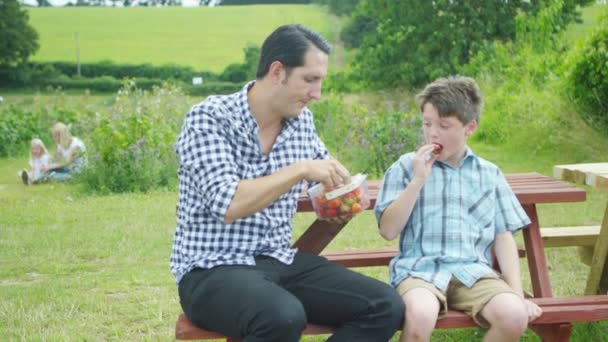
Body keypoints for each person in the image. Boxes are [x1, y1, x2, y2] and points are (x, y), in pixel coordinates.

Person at [171, 24, 404, 342]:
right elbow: (228, 203)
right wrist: (300, 169)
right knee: (282, 316)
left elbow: (326, 180)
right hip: (211, 268)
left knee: (384, 305)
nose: (317, 94)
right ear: (277, 71)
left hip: (278, 260)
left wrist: (339, 200)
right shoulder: (209, 118)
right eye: (310, 80)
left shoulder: (301, 122)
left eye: (320, 81)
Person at [374, 76, 542, 342]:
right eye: (427, 124)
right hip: (420, 270)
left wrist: (517, 296)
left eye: (444, 125)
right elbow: (388, 230)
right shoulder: (405, 167)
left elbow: (503, 237)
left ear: (469, 127)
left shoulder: (488, 173)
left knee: (513, 316)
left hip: (474, 272)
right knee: (419, 316)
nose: (433, 133)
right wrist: (417, 181)